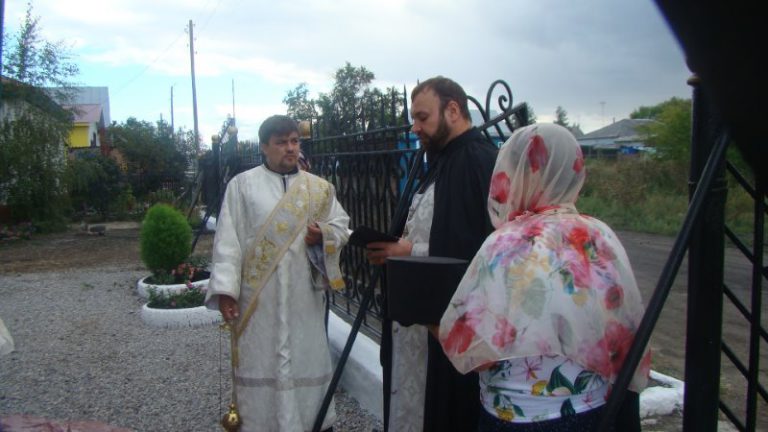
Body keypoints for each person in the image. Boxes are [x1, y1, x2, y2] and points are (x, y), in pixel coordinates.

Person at [438, 123, 651, 431]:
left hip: (515, 415)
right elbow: (626, 329)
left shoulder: (503, 244)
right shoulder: (600, 236)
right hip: (593, 410)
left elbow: (473, 352)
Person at [366, 76, 498, 432]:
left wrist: (408, 251)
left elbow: (486, 252)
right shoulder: (441, 161)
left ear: (452, 110)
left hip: (449, 329)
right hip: (419, 325)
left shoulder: (480, 162)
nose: (415, 127)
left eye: (422, 117)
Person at [205, 115, 350, 432]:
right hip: (259, 301)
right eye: (281, 142)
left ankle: (310, 422)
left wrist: (323, 234)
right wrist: (227, 291)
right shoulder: (242, 186)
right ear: (263, 147)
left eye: (294, 141)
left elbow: (341, 227)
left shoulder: (319, 189)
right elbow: (228, 241)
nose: (290, 148)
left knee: (304, 361)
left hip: (303, 299)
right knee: (262, 362)